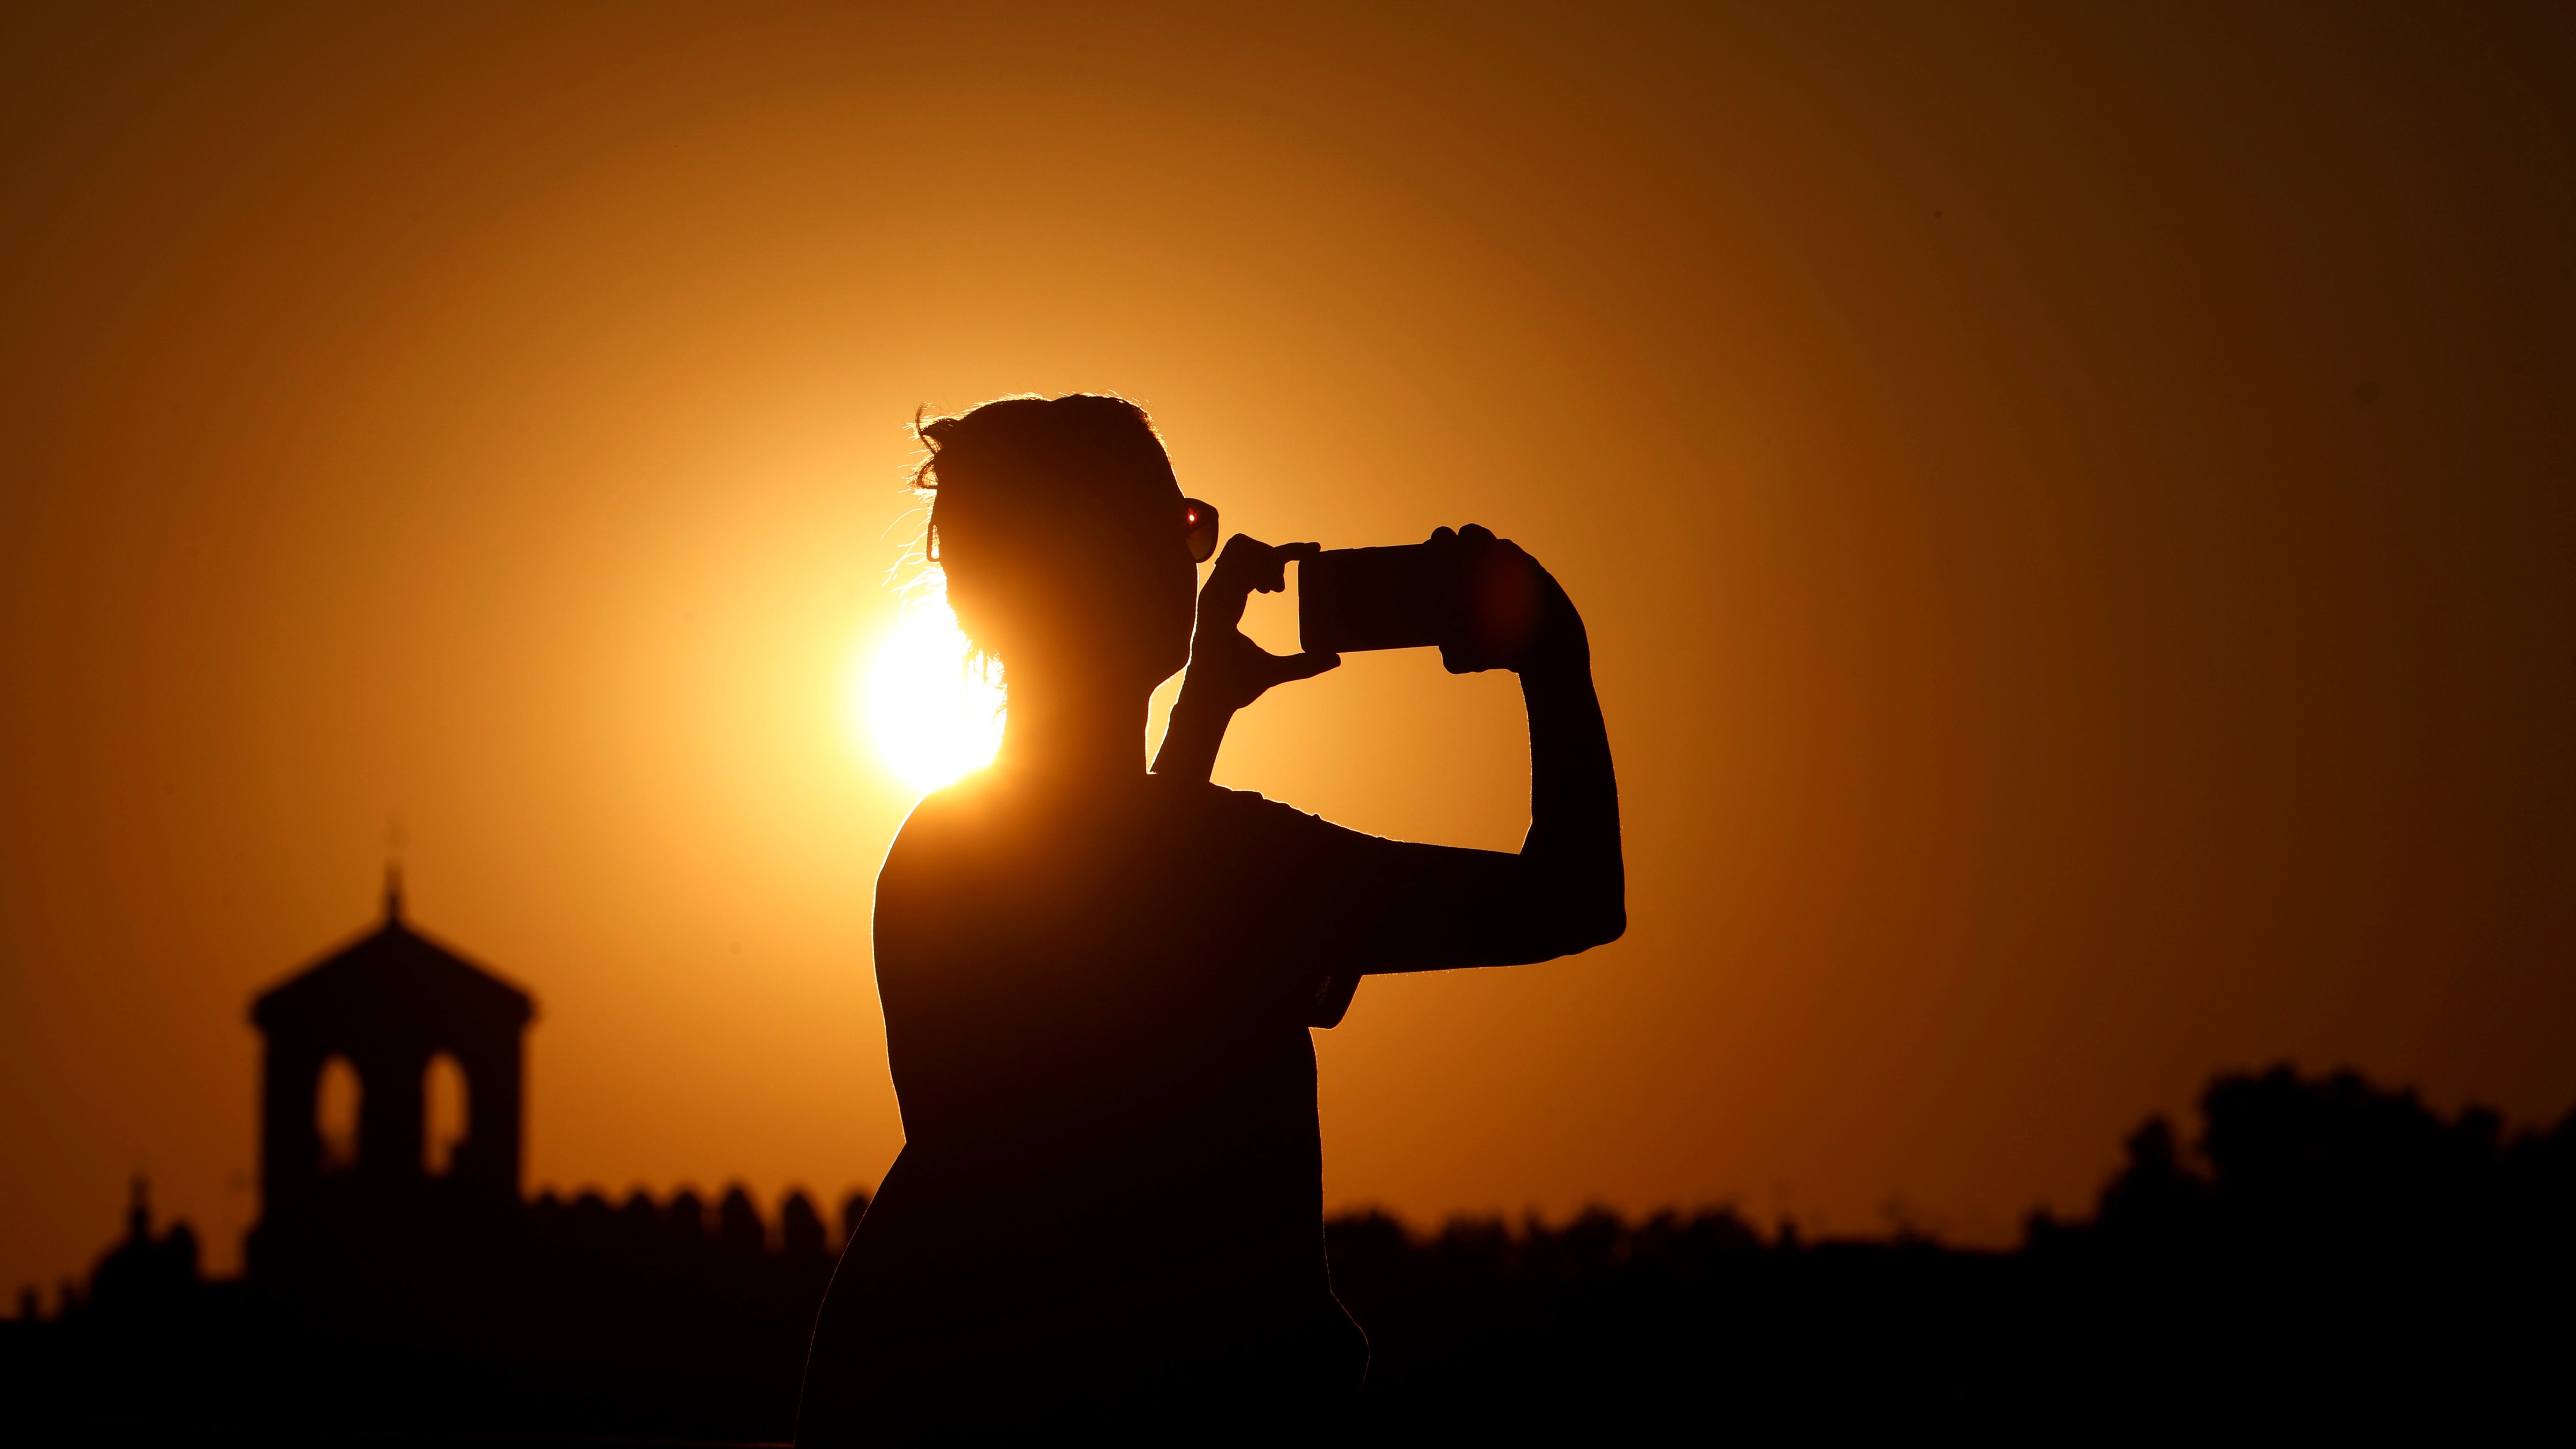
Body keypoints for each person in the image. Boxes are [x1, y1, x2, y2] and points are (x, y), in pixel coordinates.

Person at [796, 394, 1623, 1443]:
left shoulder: (943, 847)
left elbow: (1118, 960)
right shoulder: (1232, 864)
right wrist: (1552, 654)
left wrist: (1201, 719)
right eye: (1178, 530)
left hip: (932, 1423)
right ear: (1120, 568)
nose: (1196, 558)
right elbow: (1567, 900)